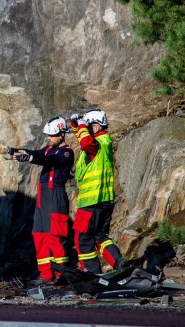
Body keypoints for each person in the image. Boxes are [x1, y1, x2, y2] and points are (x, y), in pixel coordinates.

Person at [0, 117, 74, 284]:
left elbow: (50, 160)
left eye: (51, 135)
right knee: (39, 235)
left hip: (55, 196)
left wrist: (30, 159)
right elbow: (35, 154)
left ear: (62, 134)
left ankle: (62, 274)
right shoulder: (48, 149)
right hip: (43, 197)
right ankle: (46, 274)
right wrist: (11, 150)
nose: (48, 138)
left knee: (55, 236)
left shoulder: (66, 152)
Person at [69, 109, 126, 273]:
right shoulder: (103, 142)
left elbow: (86, 142)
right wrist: (76, 124)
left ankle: (92, 273)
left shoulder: (95, 144)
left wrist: (80, 123)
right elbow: (82, 137)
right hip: (104, 202)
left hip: (91, 202)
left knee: (83, 239)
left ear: (95, 126)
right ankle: (119, 262)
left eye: (88, 127)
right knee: (101, 237)